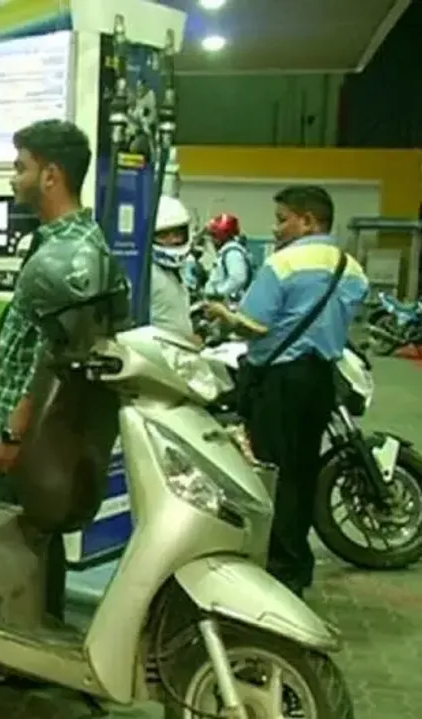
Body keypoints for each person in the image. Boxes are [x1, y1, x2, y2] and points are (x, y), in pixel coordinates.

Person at [0, 119, 120, 623]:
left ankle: (22, 639)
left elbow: (56, 359)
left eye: (21, 167)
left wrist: (13, 434)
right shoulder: (71, 242)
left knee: (17, 539)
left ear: (51, 175)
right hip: (41, 430)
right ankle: (40, 627)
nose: (13, 178)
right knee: (36, 538)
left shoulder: (68, 255)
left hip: (33, 433)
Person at [205, 185, 368, 598]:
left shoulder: (283, 263)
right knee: (302, 472)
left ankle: (277, 568)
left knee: (272, 475)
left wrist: (222, 313)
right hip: (321, 380)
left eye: (282, 219)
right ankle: (296, 564)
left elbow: (254, 325)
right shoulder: (350, 267)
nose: (276, 229)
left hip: (279, 382)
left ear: (308, 221)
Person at [148, 196, 197, 341]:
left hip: (180, 349)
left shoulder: (176, 271)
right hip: (160, 350)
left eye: (177, 234)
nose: (173, 240)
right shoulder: (148, 274)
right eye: (163, 235)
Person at [202, 212, 253, 302]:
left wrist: (217, 292)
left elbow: (238, 279)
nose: (212, 240)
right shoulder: (228, 252)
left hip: (228, 304)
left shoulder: (232, 253)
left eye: (214, 235)